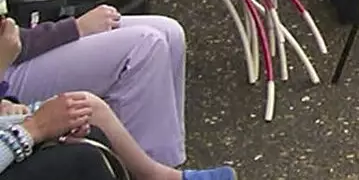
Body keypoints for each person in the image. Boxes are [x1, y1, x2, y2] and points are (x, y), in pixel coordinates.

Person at [0, 16, 233, 179]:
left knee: (169, 33)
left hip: (16, 55)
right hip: (8, 66)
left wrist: (7, 100)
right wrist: (35, 127)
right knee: (145, 45)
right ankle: (149, 173)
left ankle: (162, 171)